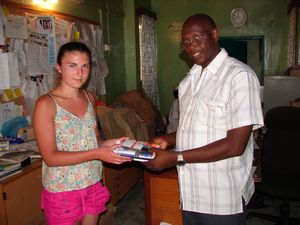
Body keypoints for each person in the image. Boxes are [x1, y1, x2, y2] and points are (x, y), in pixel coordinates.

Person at [144, 13, 264, 225]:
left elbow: (235, 145)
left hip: (222, 196)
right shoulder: (188, 82)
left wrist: (175, 157)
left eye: (197, 38)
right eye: (186, 42)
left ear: (214, 34)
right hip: (190, 193)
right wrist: (168, 140)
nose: (191, 46)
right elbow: (193, 127)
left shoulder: (239, 77)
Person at [32, 41, 131, 225]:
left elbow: (94, 140)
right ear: (59, 68)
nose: (80, 73)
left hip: (92, 181)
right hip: (62, 188)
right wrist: (98, 153)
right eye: (73, 66)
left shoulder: (89, 97)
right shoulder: (46, 104)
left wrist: (107, 144)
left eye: (85, 66)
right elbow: (51, 157)